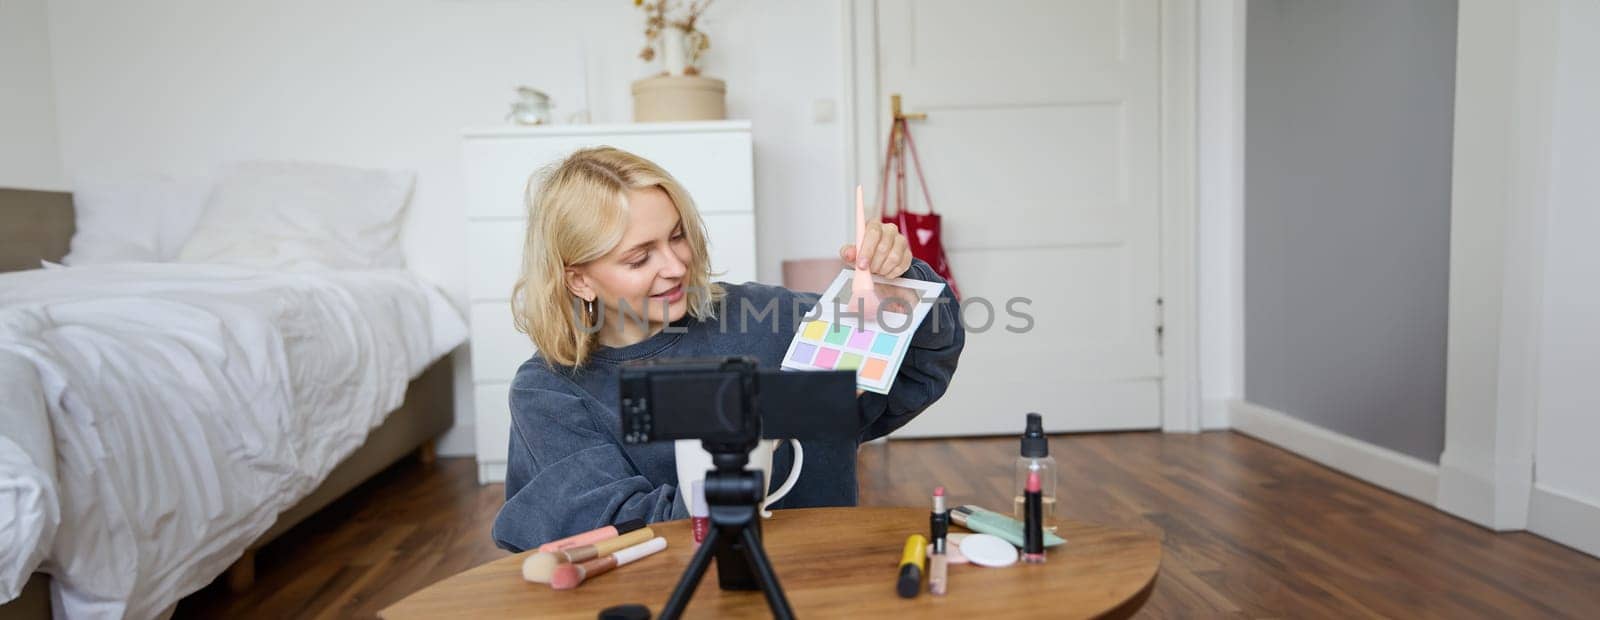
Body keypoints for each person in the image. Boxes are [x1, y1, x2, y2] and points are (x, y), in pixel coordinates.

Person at [490, 147, 964, 552]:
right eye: (639, 257)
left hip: (827, 572)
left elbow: (918, 368)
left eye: (678, 236)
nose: (676, 266)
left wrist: (899, 281)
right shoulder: (550, 392)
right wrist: (778, 418)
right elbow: (622, 534)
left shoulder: (763, 316)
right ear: (578, 279)